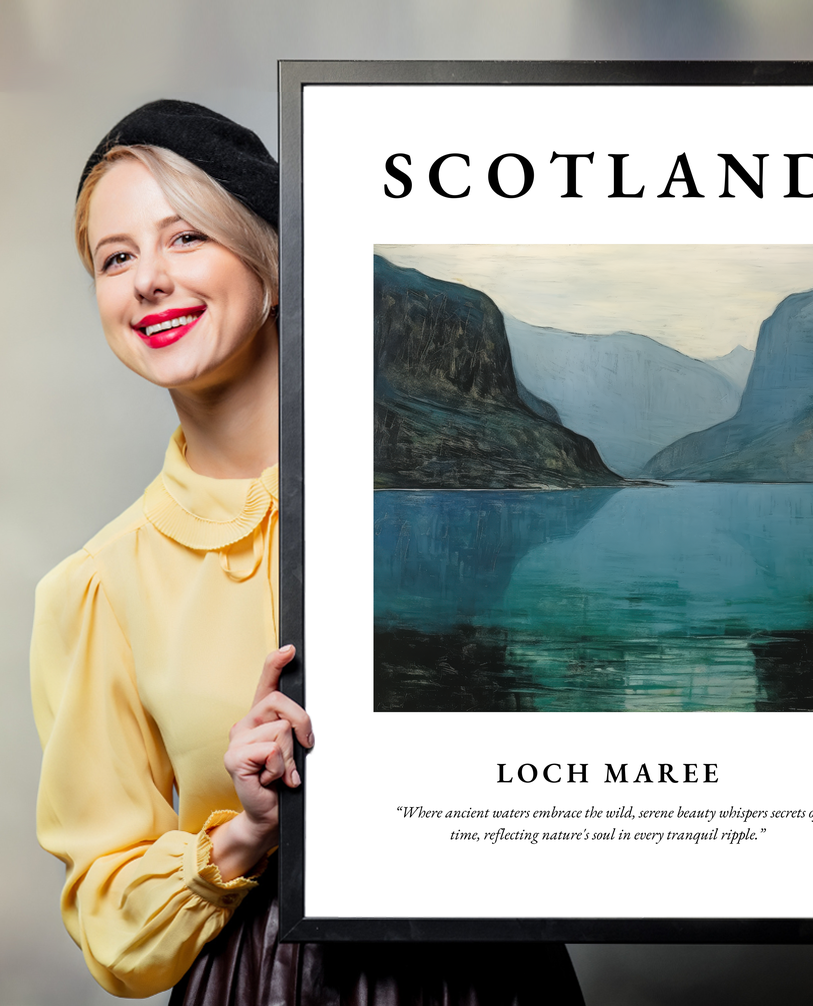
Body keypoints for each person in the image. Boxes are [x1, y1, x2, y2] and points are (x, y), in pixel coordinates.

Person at [30, 100, 585, 1004]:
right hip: (263, 981)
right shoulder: (97, 587)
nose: (148, 281)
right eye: (116, 257)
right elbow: (110, 923)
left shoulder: (447, 510)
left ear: (273, 265)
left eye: (186, 239)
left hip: (492, 972)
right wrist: (245, 832)